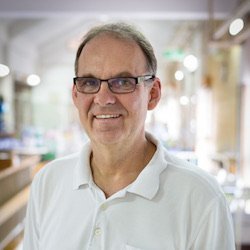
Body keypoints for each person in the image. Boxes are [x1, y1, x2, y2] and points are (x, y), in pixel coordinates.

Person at [23, 22, 235, 250]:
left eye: (123, 82)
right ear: (76, 95)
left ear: (152, 94)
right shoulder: (49, 182)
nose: (103, 99)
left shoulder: (200, 198)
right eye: (89, 82)